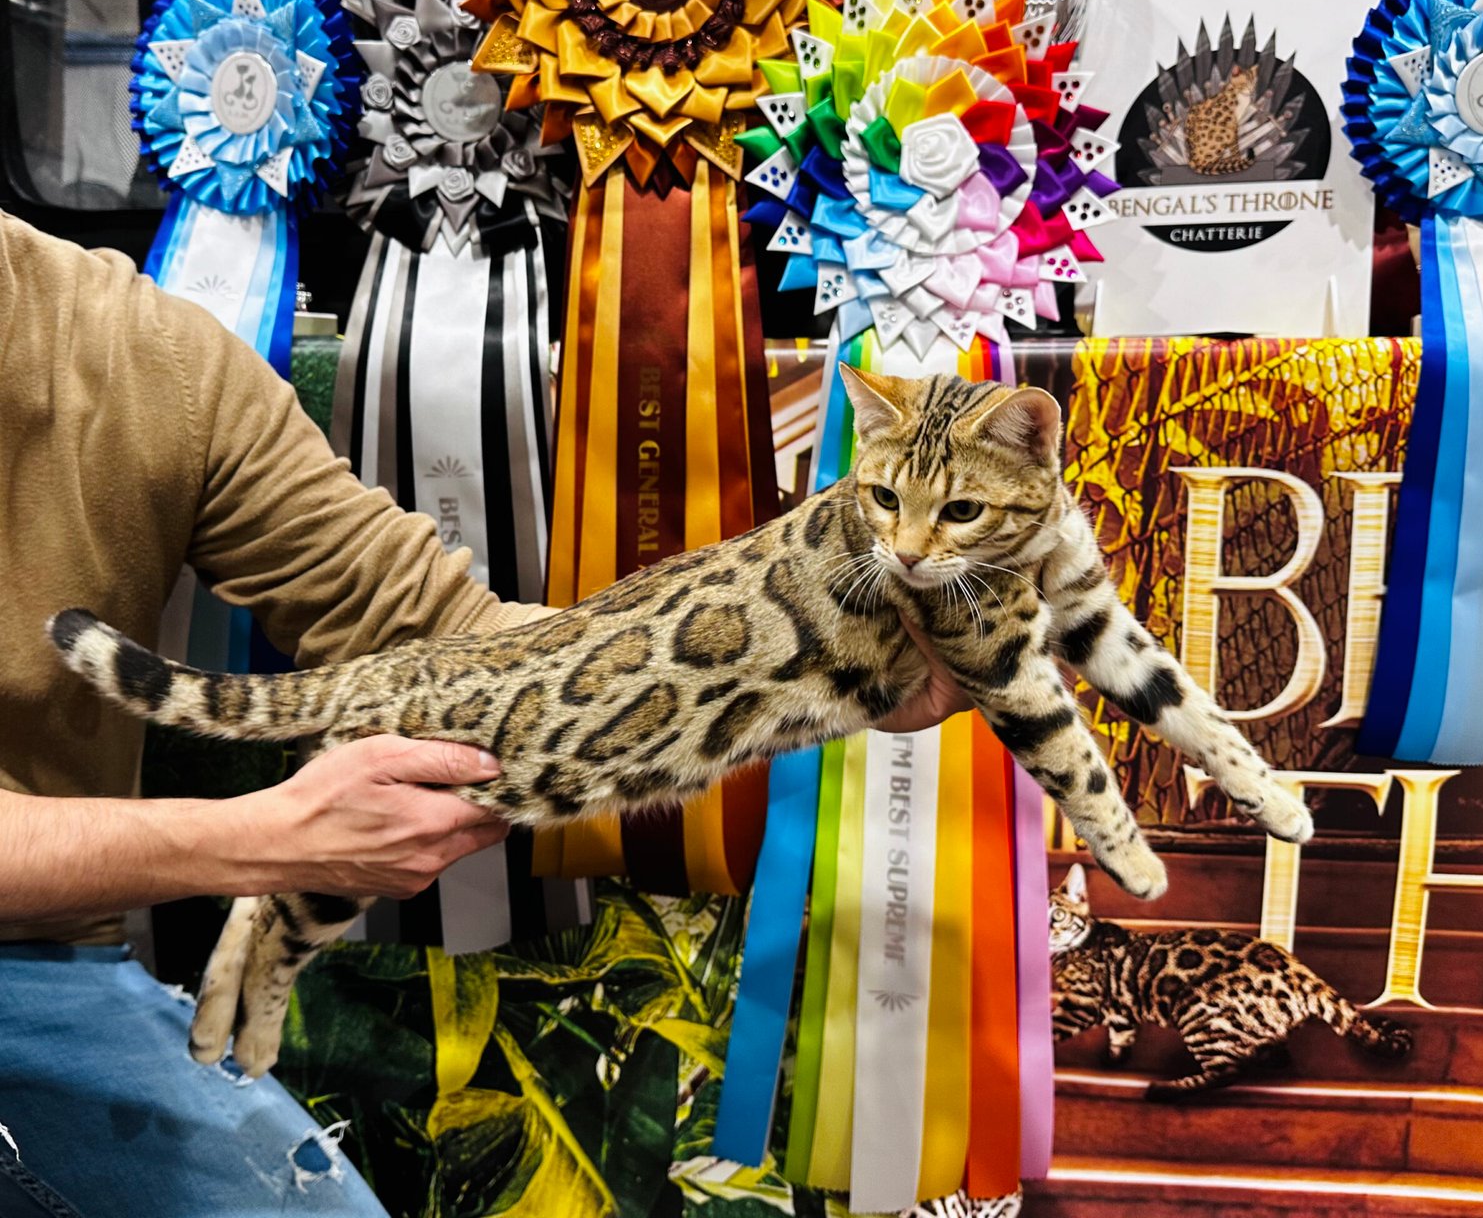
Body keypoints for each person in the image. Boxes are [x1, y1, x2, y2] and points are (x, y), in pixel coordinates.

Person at [0, 209, 971, 1218]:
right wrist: (263, 838)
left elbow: (444, 633)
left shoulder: (142, 348)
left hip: (41, 975)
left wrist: (820, 660)